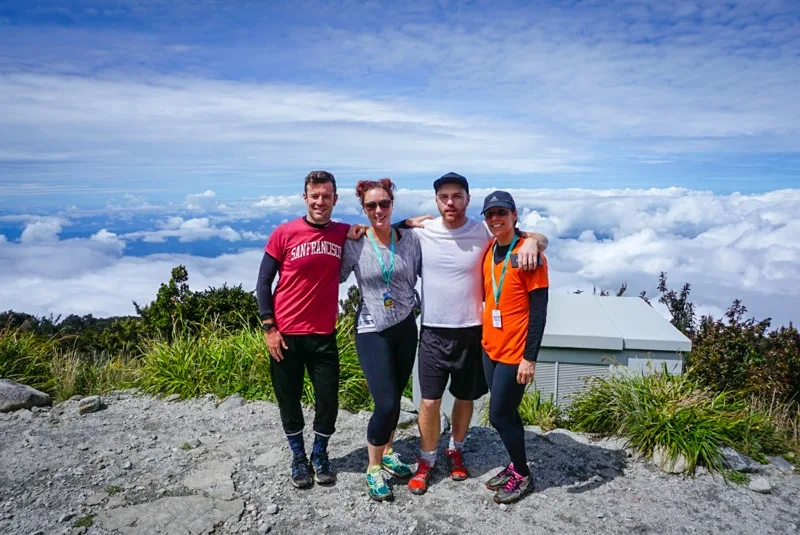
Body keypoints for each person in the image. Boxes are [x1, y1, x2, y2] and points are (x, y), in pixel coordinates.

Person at [399, 172, 548, 495]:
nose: (450, 202)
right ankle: (427, 459)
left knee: (465, 398)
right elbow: (385, 228)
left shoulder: (483, 232)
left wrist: (537, 240)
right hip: (434, 331)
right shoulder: (424, 231)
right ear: (436, 200)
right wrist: (403, 221)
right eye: (444, 197)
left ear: (467, 199)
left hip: (472, 331)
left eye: (457, 196)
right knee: (428, 401)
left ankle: (456, 449)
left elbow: (522, 237)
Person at [256, 170, 361, 489]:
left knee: (327, 400)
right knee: (288, 400)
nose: (320, 201)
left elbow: (378, 231)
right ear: (305, 197)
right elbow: (263, 283)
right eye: (314, 196)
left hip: (322, 335)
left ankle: (320, 453)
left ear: (335, 199)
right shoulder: (284, 233)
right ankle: (298, 456)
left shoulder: (343, 232)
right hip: (285, 336)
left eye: (326, 196)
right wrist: (269, 327)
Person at [339, 178, 423, 501]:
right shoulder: (356, 243)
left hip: (405, 327)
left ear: (392, 205)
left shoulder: (411, 240)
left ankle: (388, 451)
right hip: (371, 329)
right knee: (386, 403)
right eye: (371, 206)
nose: (378, 210)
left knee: (395, 397)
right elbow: (334, 274)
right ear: (363, 208)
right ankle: (373, 468)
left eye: (384, 204)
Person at [480, 190, 548, 505]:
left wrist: (529, 358)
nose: (495, 219)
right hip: (490, 348)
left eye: (501, 213)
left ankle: (522, 473)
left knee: (499, 415)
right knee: (506, 412)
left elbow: (539, 312)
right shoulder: (490, 249)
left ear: (514, 214)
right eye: (490, 214)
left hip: (515, 354)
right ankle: (514, 463)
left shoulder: (529, 255)